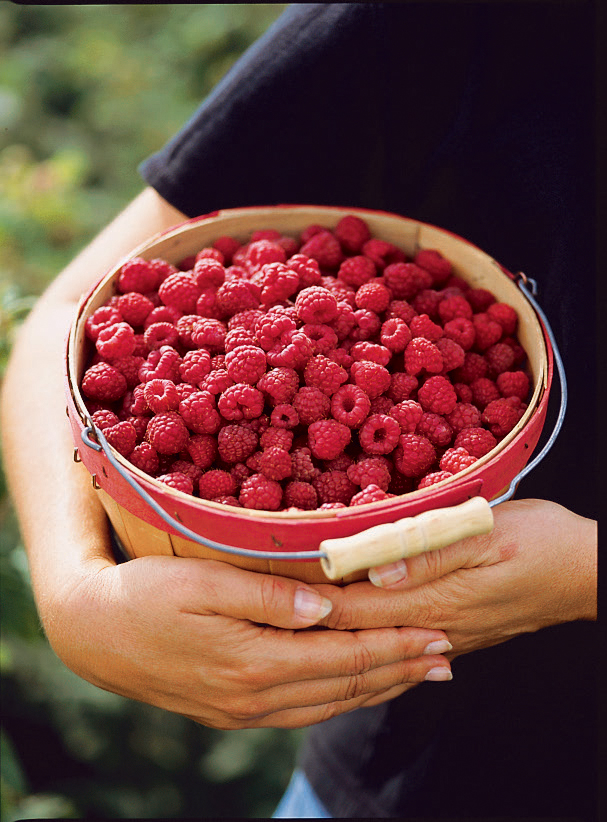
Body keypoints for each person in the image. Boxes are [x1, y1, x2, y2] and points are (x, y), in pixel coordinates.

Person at [1, 3, 597, 819]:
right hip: (395, 770)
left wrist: (583, 575)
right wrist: (76, 594)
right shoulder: (452, 21)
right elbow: (72, 313)